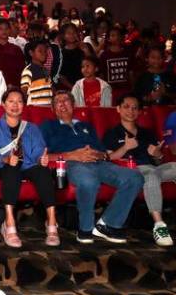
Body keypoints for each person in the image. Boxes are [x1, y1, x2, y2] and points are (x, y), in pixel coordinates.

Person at [40, 90, 144, 244]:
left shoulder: (86, 125)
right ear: (53, 109)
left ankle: (107, 224)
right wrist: (72, 155)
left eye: (66, 100)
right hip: (71, 163)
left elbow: (104, 153)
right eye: (58, 101)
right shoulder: (48, 126)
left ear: (73, 105)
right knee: (89, 181)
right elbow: (43, 157)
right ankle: (85, 229)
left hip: (98, 162)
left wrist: (96, 154)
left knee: (135, 177)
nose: (62, 103)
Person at [0, 88, 58, 247]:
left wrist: (41, 159)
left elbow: (38, 151)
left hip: (28, 165)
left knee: (43, 172)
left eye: (19, 101)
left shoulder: (32, 128)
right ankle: (9, 224)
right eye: (11, 101)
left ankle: (51, 223)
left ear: (24, 105)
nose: (15, 105)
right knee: (11, 171)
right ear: (3, 104)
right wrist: (6, 159)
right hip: (3, 167)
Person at [102, 94, 174, 246]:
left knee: (159, 170)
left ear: (140, 112)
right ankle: (159, 225)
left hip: (154, 168)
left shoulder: (147, 133)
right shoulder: (112, 133)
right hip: (131, 171)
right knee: (151, 175)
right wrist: (125, 147)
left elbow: (157, 160)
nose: (131, 111)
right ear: (118, 109)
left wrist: (158, 155)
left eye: (135, 108)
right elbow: (108, 158)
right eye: (126, 107)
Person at [98, 26, 135, 92]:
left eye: (118, 35)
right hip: (110, 90)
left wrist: (133, 87)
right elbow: (102, 74)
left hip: (126, 89)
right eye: (113, 35)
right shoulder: (104, 55)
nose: (116, 37)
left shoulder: (128, 53)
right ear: (108, 39)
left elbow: (131, 72)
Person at [0, 19, 26, 87]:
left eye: (6, 28)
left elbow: (22, 69)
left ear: (10, 31)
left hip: (14, 86)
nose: (4, 31)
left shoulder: (16, 49)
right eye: (1, 29)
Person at [20, 39, 53, 106]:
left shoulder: (45, 70)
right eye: (40, 51)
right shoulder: (28, 71)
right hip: (35, 108)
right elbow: (24, 91)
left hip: (47, 107)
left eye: (45, 51)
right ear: (31, 53)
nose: (44, 53)